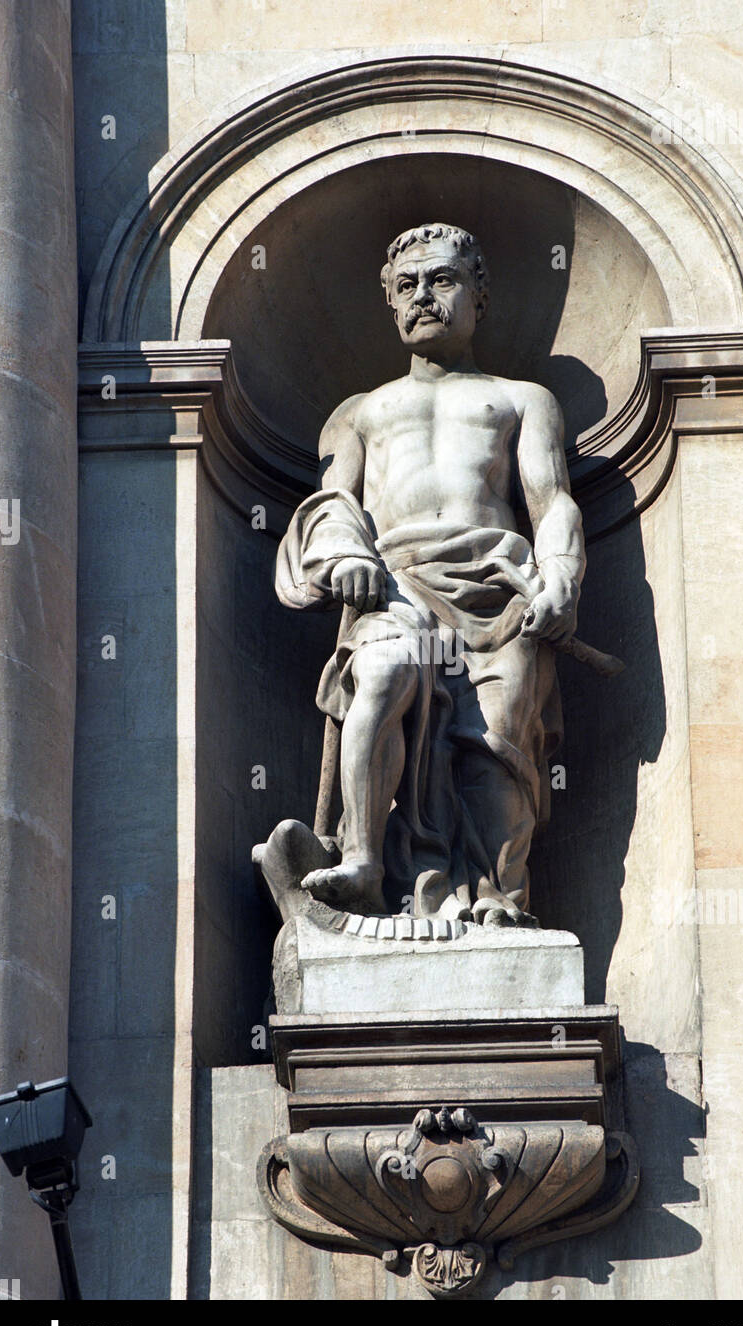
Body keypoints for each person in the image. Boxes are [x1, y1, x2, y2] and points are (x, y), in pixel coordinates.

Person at [276, 224, 585, 925]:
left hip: (500, 588)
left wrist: (561, 576)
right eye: (407, 285)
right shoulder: (359, 413)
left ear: (478, 296)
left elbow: (551, 499)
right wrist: (348, 555)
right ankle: (362, 857)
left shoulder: (522, 398)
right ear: (390, 303)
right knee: (382, 678)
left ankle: (494, 900)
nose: (424, 297)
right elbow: (331, 506)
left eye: (442, 280)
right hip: (395, 582)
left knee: (496, 742)